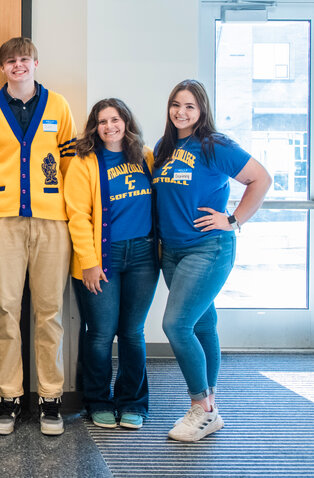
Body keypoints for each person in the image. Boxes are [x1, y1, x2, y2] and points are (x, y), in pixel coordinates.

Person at [153, 79, 270, 442]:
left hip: (208, 248)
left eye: (189, 106)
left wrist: (233, 219)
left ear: (201, 110)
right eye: (176, 104)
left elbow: (261, 179)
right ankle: (210, 406)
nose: (181, 112)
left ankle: (201, 407)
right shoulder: (165, 147)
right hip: (172, 251)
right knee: (203, 325)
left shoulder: (214, 144)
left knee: (176, 325)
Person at [0, 37, 77, 436]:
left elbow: (68, 162)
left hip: (52, 221)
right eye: (10, 61)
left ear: (36, 63)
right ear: (3, 68)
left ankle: (51, 398)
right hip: (2, 219)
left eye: (24, 59)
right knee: (4, 310)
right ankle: (9, 398)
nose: (18, 66)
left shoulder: (59, 106)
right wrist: (7, 193)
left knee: (49, 312)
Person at [65, 98, 158, 430]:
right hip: (102, 258)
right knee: (101, 334)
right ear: (95, 127)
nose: (109, 126)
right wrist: (89, 263)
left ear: (126, 122)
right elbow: (77, 216)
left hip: (144, 256)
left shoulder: (145, 157)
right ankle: (98, 401)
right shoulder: (84, 162)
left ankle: (133, 402)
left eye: (115, 119)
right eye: (102, 121)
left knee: (133, 333)